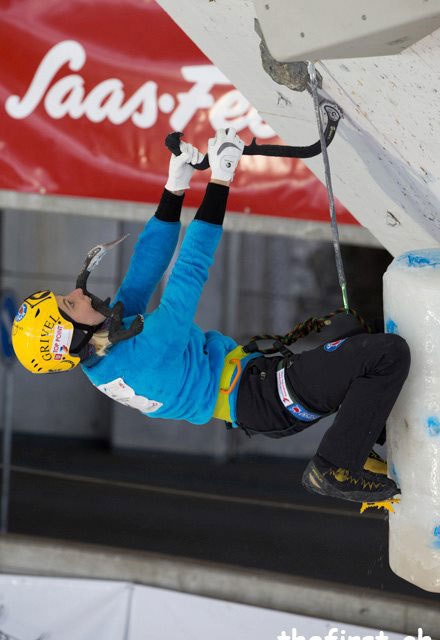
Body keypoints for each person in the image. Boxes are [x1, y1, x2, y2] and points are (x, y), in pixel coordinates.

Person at [12, 128, 410, 504]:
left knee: (363, 356)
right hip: (265, 395)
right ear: (70, 337)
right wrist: (221, 180)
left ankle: (369, 443)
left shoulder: (106, 347)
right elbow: (189, 272)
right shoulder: (142, 354)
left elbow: (145, 268)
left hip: (257, 388)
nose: (79, 292)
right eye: (70, 304)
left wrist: (176, 186)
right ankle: (335, 467)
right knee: (385, 354)